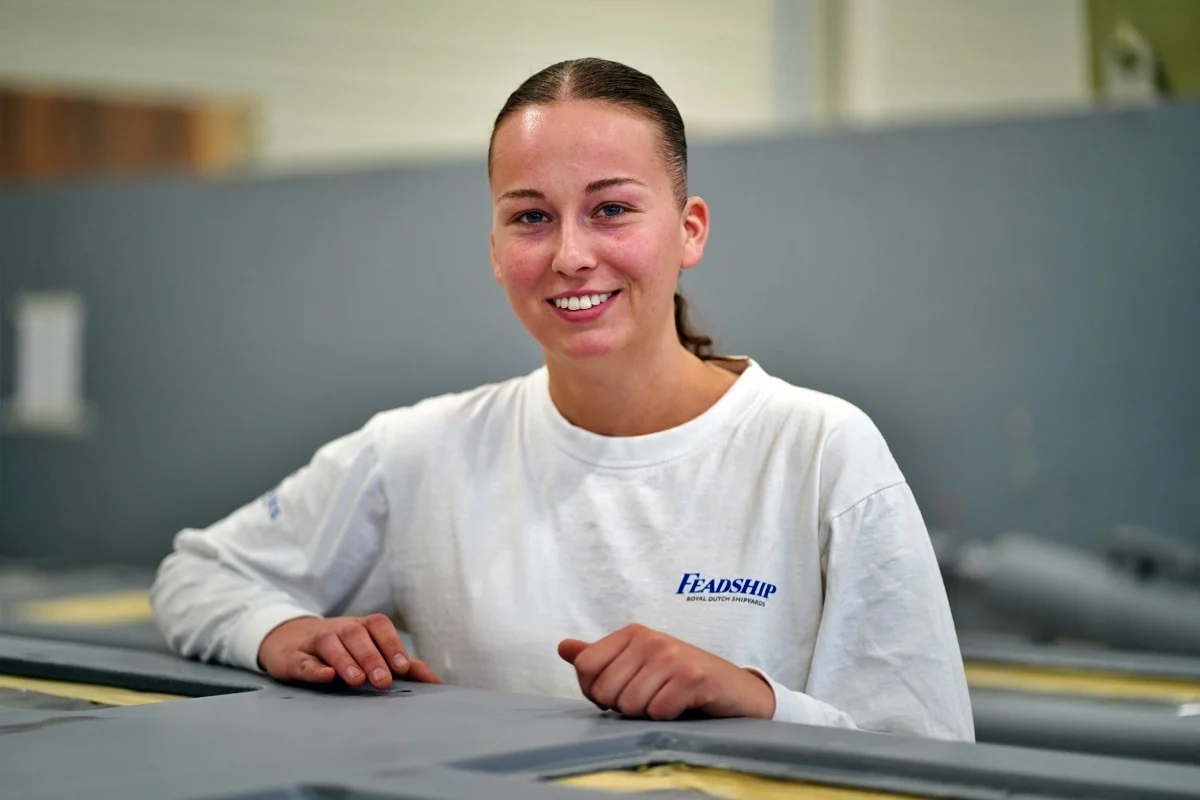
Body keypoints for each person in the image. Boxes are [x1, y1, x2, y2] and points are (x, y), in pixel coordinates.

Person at [151, 57, 974, 741]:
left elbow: (931, 748)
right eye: (532, 217)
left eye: (611, 209)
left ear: (689, 229)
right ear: (495, 246)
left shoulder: (820, 449)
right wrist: (283, 632)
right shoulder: (421, 452)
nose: (571, 255)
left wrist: (754, 700)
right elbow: (198, 574)